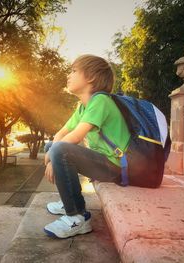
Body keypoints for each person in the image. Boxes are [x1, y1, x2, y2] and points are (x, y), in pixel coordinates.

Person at [43, 54, 131, 239]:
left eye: (74, 71)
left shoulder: (101, 100)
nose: (69, 75)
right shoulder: (83, 107)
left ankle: (78, 217)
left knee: (58, 149)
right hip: (101, 162)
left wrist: (53, 156)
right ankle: (69, 201)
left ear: (90, 77)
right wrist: (52, 152)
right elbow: (61, 133)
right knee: (53, 145)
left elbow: (75, 137)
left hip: (115, 166)